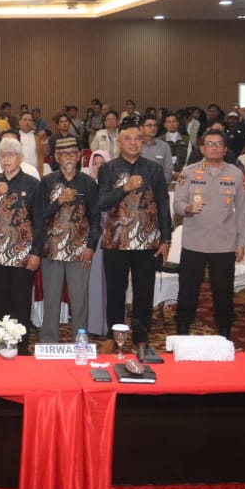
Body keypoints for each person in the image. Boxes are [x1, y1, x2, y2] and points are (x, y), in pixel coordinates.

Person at [98, 124, 172, 346]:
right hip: (116, 242)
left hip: (147, 243)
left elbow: (163, 204)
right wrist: (125, 188)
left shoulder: (154, 169)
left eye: (138, 138)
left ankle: (141, 336)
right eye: (128, 138)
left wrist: (166, 240)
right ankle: (113, 336)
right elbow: (102, 202)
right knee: (115, 292)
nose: (133, 142)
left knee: (144, 292)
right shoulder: (108, 169)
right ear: (119, 143)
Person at [173, 130, 245, 340]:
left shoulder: (236, 174)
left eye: (218, 144)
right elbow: (177, 203)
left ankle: (224, 330)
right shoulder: (189, 172)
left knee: (223, 291)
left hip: (224, 242)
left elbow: (242, 211)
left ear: (225, 150)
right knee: (188, 290)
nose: (214, 147)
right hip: (194, 241)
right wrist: (187, 208)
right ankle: (182, 329)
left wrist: (241, 242)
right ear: (202, 148)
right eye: (210, 143)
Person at [0, 138, 42, 352]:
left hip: (23, 256)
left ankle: (21, 349)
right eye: (2, 155)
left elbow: (39, 221)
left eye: (10, 155)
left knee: (21, 304)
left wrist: (36, 252)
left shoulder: (33, 184)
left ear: (20, 158)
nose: (6, 159)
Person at [36, 136, 100, 344]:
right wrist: (59, 201)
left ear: (79, 156)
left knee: (79, 301)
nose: (68, 157)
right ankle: (48, 342)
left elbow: (95, 219)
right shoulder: (47, 182)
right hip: (51, 250)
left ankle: (80, 342)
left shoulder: (88, 183)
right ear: (56, 157)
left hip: (79, 252)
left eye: (72, 153)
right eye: (63, 154)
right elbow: (39, 216)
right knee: (51, 300)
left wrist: (91, 247)